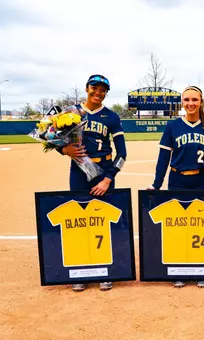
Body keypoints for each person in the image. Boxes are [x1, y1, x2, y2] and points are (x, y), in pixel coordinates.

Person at [148, 85, 204, 289]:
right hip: (177, 181)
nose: (191, 103)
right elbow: (163, 159)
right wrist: (156, 184)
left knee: (201, 226)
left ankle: (201, 268)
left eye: (195, 100)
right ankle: (179, 268)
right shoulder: (173, 126)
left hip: (203, 182)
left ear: (201, 102)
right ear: (182, 102)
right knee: (179, 227)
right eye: (187, 100)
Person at [58, 74, 127, 292]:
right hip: (78, 171)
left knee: (104, 220)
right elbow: (59, 142)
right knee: (80, 218)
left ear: (107, 92)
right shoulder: (71, 113)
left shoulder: (112, 117)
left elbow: (122, 154)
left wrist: (108, 179)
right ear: (86, 88)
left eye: (102, 90)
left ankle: (106, 268)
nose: (98, 93)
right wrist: (64, 150)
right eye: (94, 88)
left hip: (103, 172)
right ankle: (81, 270)